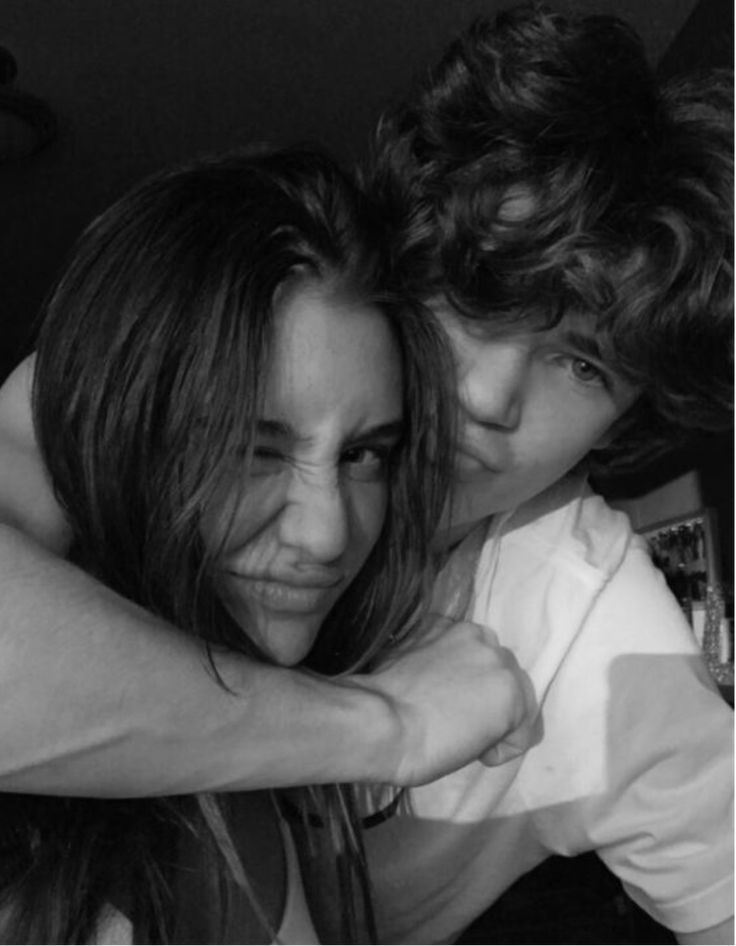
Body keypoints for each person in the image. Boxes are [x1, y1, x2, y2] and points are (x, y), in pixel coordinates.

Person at [0, 2, 732, 943]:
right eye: (477, 295)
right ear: (400, 252)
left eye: (583, 365)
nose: (489, 394)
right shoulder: (193, 339)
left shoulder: (597, 637)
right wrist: (382, 722)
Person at [0, 145, 527, 944]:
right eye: (254, 447)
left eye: (364, 454)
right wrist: (389, 727)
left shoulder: (259, 759)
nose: (325, 532)